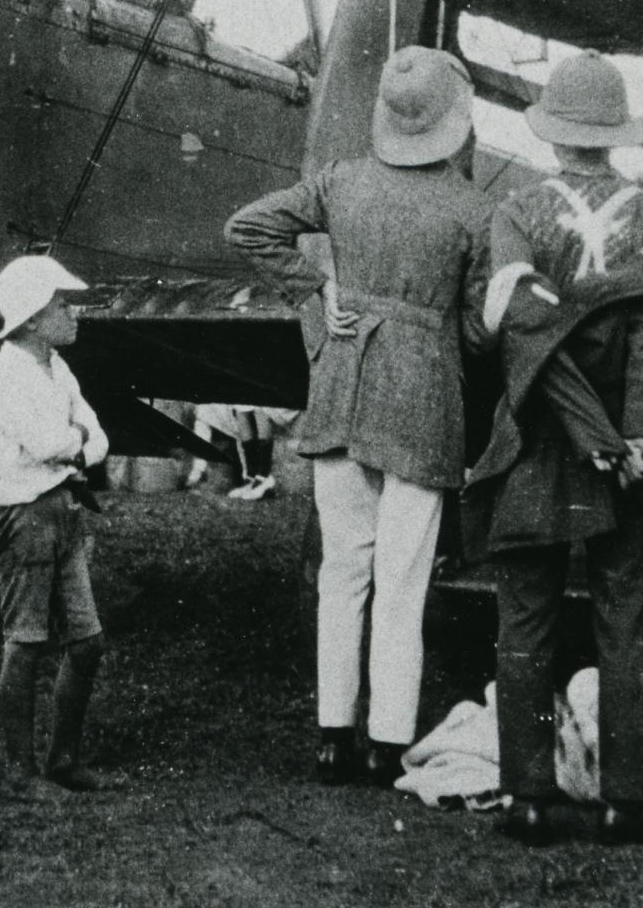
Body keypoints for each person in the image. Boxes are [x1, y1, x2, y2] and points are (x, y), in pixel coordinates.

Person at [466, 50, 643, 848]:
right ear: (614, 136)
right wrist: (638, 436)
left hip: (540, 445)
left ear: (551, 135)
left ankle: (530, 796)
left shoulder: (511, 215)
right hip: (633, 460)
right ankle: (627, 801)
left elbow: (513, 337)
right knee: (626, 622)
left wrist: (588, 434)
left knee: (526, 624)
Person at [223, 46, 495, 788]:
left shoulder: (340, 181)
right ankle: (387, 741)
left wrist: (317, 291)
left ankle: (331, 739)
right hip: (424, 398)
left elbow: (246, 227)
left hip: (340, 382)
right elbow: (476, 332)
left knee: (342, 572)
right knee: (403, 581)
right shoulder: (474, 209)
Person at [0, 255, 113, 798]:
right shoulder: (3, 372)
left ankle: (63, 759)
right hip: (24, 517)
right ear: (31, 317)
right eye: (61, 305)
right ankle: (20, 771)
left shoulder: (57, 368)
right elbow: (53, 441)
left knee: (88, 642)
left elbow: (96, 437)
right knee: (26, 641)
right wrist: (74, 441)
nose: (71, 313)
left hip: (63, 508)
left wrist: (73, 442)